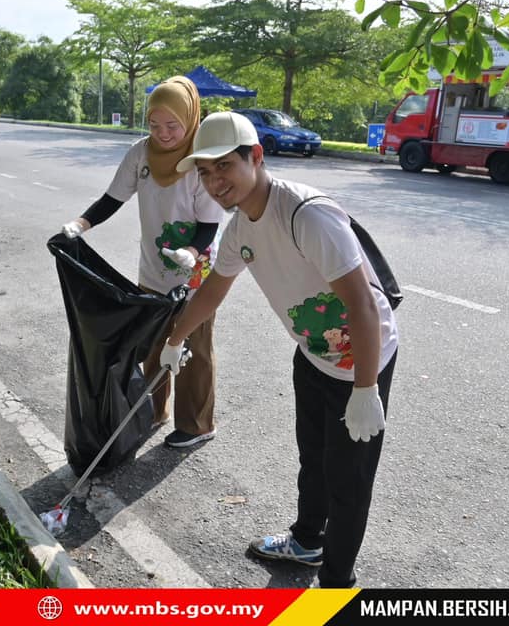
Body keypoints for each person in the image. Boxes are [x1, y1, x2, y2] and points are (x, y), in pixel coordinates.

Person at [159, 111, 399, 588]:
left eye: (224, 166)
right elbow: (211, 292)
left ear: (256, 157)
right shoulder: (242, 226)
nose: (214, 182)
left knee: (349, 481)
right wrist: (174, 339)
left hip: (361, 359)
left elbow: (363, 306)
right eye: (204, 173)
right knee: (313, 456)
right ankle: (308, 540)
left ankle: (335, 585)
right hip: (312, 353)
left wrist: (366, 388)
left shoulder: (306, 215)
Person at [60, 76, 230, 449]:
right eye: (155, 125)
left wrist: (192, 253)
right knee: (154, 343)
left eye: (172, 125)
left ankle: (198, 424)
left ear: (190, 119)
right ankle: (154, 410)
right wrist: (81, 224)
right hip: (153, 267)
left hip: (196, 270)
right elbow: (113, 197)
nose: (163, 133)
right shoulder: (141, 153)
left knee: (192, 346)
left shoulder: (203, 159)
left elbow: (208, 223)